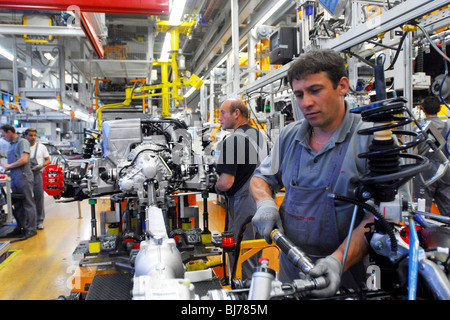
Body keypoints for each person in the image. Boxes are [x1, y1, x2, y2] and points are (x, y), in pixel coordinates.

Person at [250, 49, 376, 297]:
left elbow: (382, 216)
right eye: (299, 94)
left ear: (342, 86)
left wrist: (338, 261)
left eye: (315, 90)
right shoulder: (290, 135)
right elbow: (261, 178)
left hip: (347, 274)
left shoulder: (369, 139)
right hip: (290, 266)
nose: (305, 102)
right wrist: (265, 203)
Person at [215, 98, 269, 280]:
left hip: (242, 206)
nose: (219, 118)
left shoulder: (232, 141)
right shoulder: (260, 136)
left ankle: (244, 296)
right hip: (262, 203)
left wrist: (213, 185)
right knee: (256, 251)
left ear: (236, 113)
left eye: (222, 112)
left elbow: (225, 183)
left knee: (240, 254)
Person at [414, 95, 450, 216]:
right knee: (448, 211)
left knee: (422, 212)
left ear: (423, 110)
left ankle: (423, 234)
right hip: (445, 170)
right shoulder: (448, 127)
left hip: (425, 172)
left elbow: (412, 152)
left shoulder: (418, 128)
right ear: (440, 109)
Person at [0, 124, 37, 239]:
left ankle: (31, 229)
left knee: (27, 203)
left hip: (23, 177)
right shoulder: (11, 145)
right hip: (15, 177)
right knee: (17, 203)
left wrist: (9, 165)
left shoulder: (22, 142)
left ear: (10, 132)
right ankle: (21, 227)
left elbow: (24, 159)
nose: (3, 137)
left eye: (4, 134)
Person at [24, 128, 51, 229]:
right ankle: (28, 221)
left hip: (37, 174)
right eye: (30, 135)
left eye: (35, 135)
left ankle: (39, 221)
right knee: (27, 198)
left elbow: (48, 160)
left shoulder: (41, 147)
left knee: (39, 197)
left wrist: (41, 165)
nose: (33, 137)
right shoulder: (22, 146)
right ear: (25, 136)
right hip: (25, 175)